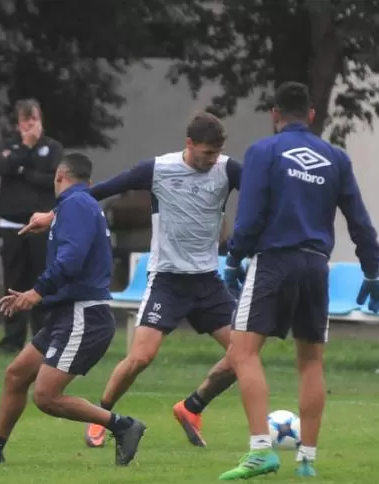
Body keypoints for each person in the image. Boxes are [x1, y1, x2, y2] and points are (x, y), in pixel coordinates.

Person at [21, 112, 243, 450]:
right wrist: (54, 214)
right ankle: (103, 417)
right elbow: (103, 190)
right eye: (205, 153)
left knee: (243, 355)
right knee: (140, 357)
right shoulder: (159, 169)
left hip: (208, 282)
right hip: (167, 281)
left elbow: (263, 196)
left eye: (215, 154)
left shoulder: (228, 170)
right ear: (189, 144)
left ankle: (192, 407)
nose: (211, 160)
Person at [218, 81, 379, 481]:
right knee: (310, 361)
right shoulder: (336, 158)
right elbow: (359, 220)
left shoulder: (264, 151)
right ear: (312, 115)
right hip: (316, 266)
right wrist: (372, 271)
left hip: (274, 261)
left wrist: (234, 258)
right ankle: (307, 459)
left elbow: (252, 213)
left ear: (275, 114)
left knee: (243, 352)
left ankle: (261, 451)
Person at [0, 153, 146, 467]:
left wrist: (36, 292)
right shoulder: (80, 204)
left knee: (46, 396)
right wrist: (51, 217)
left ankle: (123, 425)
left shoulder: (75, 206)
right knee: (16, 374)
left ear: (59, 176)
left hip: (83, 315)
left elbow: (71, 260)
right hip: (69, 314)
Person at [0, 98, 64, 354]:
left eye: (34, 119)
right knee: (13, 281)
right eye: (25, 120)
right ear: (18, 123)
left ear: (40, 120)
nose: (30, 125)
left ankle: (43, 339)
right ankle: (12, 341)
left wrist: (25, 171)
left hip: (42, 225)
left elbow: (53, 179)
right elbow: (5, 167)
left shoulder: (53, 147)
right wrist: (26, 148)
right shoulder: (7, 144)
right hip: (11, 224)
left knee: (41, 281)